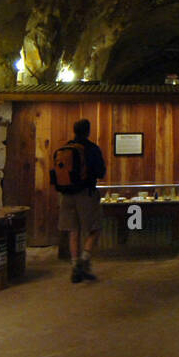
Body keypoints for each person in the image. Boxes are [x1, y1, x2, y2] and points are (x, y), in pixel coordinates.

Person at [57, 119, 107, 283]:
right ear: (88, 131)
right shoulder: (92, 149)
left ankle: (74, 265)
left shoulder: (64, 148)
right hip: (86, 193)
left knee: (74, 230)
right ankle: (85, 259)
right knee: (95, 227)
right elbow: (101, 172)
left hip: (67, 195)